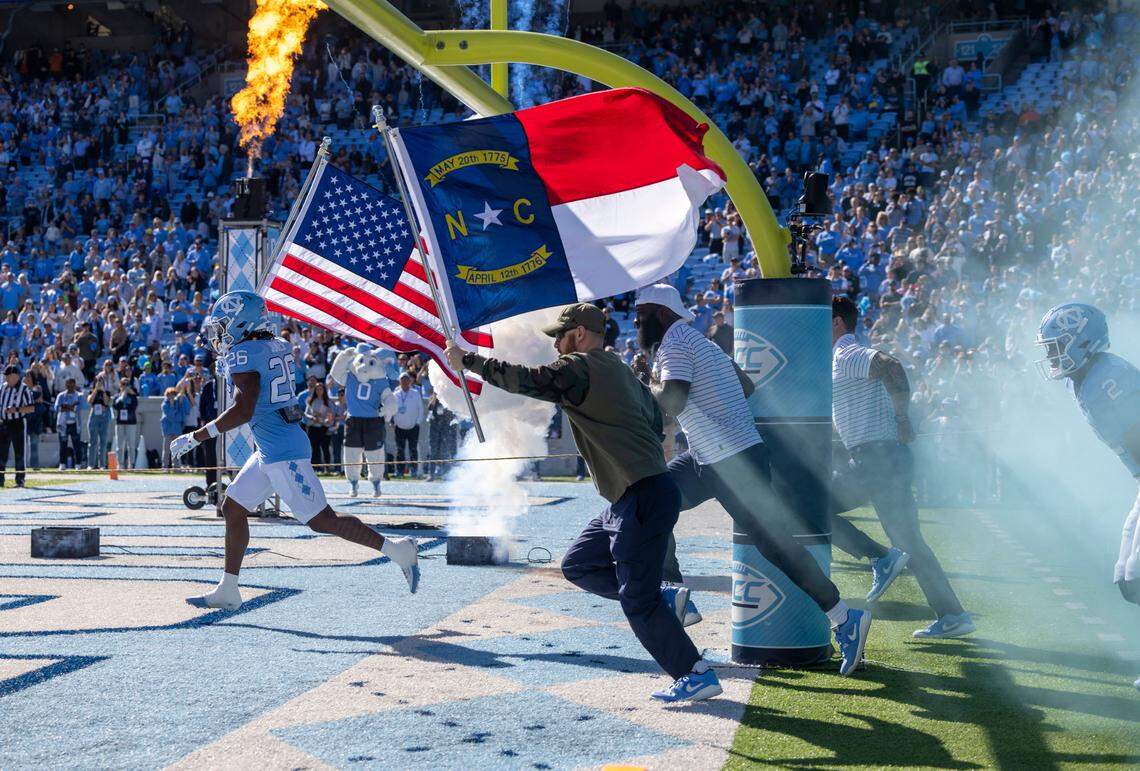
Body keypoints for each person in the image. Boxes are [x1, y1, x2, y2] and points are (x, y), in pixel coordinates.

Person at [446, 303, 721, 702]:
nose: (555, 345)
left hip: (640, 493)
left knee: (635, 601)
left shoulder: (579, 365)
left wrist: (468, 361)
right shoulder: (620, 369)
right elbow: (656, 421)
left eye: (559, 336)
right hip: (637, 493)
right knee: (578, 564)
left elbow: (528, 380)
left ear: (577, 334)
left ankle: (694, 672)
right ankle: (663, 595)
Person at [637, 285, 872, 676]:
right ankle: (672, 592)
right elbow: (746, 386)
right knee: (651, 499)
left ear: (661, 314)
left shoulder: (674, 343)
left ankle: (845, 617)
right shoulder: (700, 342)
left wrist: (647, 380)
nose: (635, 322)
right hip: (713, 457)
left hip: (731, 461)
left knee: (775, 544)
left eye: (641, 315)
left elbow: (672, 403)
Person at [169, 291, 420, 610]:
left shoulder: (244, 352)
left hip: (281, 452)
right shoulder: (277, 345)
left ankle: (398, 550)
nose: (219, 334)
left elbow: (244, 410)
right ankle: (228, 588)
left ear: (240, 322)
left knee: (322, 520)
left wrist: (197, 436)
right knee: (233, 507)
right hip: (272, 447)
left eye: (224, 325)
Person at [830, 296, 974, 638]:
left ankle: (878, 557)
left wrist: (901, 416)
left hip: (874, 459)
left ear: (837, 323)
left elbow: (891, 365)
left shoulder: (845, 353)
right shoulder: (841, 358)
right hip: (883, 456)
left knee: (808, 509)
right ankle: (953, 615)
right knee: (910, 541)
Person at [1035, 303, 1140, 692]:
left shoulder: (1106, 379)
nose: (1050, 355)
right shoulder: (1084, 378)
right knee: (1128, 582)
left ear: (1082, 341)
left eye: (1056, 345)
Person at [0, 365, 33, 487]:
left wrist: (16, 409)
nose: (6, 379)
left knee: (19, 452)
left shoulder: (24, 389)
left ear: (15, 376)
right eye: (6, 376)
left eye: (8, 376)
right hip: (4, 423)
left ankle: (20, 480)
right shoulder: (3, 388)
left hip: (18, 423)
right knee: (1, 452)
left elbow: (31, 408)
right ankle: (0, 479)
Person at [392, 370, 423, 478]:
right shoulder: (395, 394)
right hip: (399, 427)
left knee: (413, 449)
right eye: (402, 380)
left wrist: (418, 422)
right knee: (399, 450)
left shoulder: (415, 393)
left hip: (413, 427)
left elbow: (421, 408)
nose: (404, 382)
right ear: (399, 382)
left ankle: (413, 470)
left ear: (410, 381)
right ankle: (399, 471)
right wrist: (394, 422)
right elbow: (392, 410)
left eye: (406, 380)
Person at [54, 378, 82, 471]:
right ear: (65, 385)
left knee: (76, 445)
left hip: (75, 423)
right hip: (63, 424)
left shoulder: (79, 395)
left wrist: (66, 407)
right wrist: (71, 406)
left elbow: (78, 408)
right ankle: (62, 463)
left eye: (72, 384)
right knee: (63, 444)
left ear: (75, 385)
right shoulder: (61, 395)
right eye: (68, 385)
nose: (70, 386)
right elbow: (57, 408)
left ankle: (78, 464)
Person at [113, 378, 140, 469]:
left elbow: (134, 406)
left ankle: (131, 464)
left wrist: (131, 394)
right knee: (119, 445)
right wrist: (123, 395)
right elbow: (117, 406)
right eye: (123, 384)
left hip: (131, 422)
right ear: (120, 386)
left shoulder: (133, 396)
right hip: (120, 423)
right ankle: (120, 464)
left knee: (131, 445)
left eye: (127, 384)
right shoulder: (117, 396)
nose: (125, 386)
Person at [160, 386, 190, 468]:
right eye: (169, 395)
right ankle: (165, 466)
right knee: (166, 450)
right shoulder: (164, 405)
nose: (171, 397)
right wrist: (173, 406)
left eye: (173, 395)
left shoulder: (179, 403)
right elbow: (171, 415)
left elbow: (183, 414)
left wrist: (182, 399)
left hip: (177, 429)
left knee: (177, 449)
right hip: (167, 430)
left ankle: (176, 466)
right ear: (167, 395)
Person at [86, 381, 112, 469]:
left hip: (104, 416)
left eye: (101, 382)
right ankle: (91, 464)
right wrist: (96, 389)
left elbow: (107, 402)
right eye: (98, 382)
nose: (100, 384)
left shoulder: (106, 392)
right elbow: (89, 401)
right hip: (94, 416)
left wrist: (103, 391)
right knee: (92, 441)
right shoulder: (92, 391)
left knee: (103, 442)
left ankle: (102, 465)